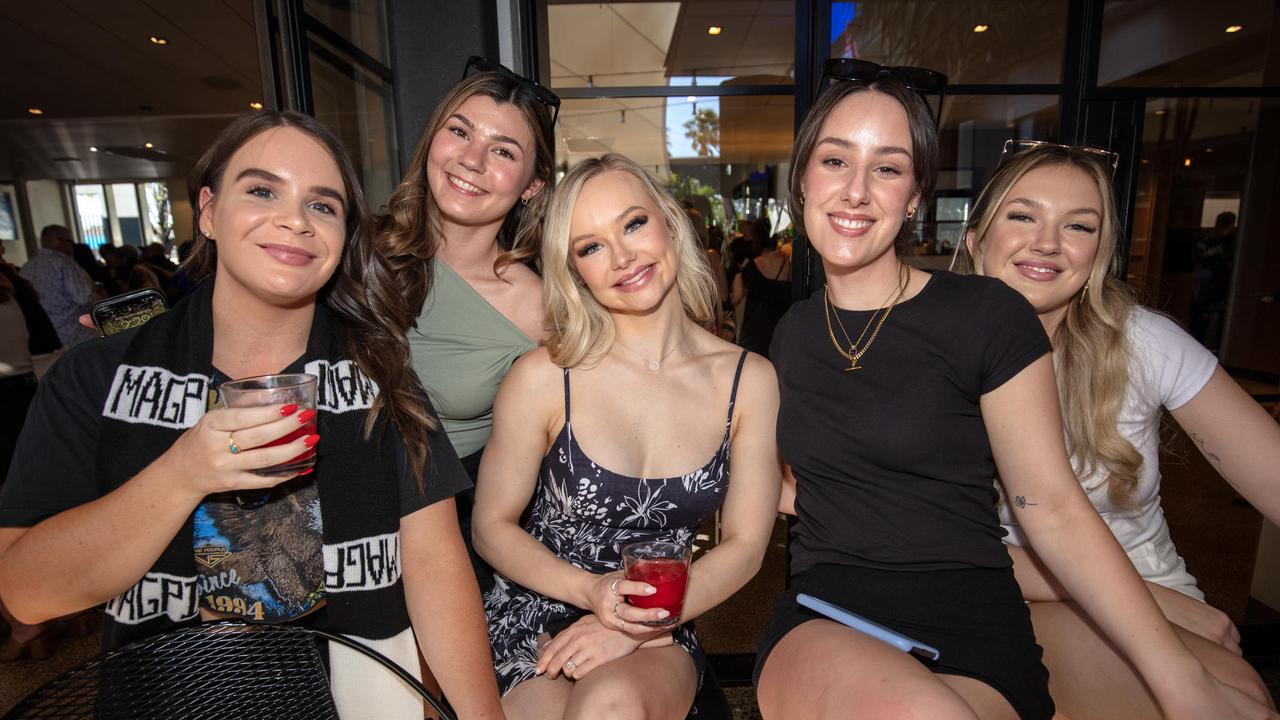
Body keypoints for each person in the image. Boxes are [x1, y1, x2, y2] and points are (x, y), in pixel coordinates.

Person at [752, 71, 1277, 720]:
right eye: (835, 160)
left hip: (981, 615)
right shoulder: (795, 333)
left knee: (1239, 702)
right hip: (837, 606)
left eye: (887, 169)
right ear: (801, 178)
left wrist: (1179, 680)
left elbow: (1050, 507)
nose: (856, 190)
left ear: (916, 196)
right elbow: (792, 480)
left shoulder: (989, 316)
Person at [0, 110, 504, 719]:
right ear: (208, 212)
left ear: (343, 237)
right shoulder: (95, 377)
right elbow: (26, 595)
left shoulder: (381, 374)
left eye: (323, 205)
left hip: (352, 694)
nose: (294, 219)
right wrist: (185, 470)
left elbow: (434, 565)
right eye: (262, 190)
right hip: (168, 697)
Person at [955, 143, 1280, 718]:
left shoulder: (1141, 341)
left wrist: (1158, 597)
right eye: (1023, 215)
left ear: (1099, 252)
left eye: (1078, 225)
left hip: (1146, 581)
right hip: (992, 588)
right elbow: (919, 539)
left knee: (1244, 701)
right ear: (976, 237)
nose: (1048, 242)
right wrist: (1154, 604)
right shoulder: (924, 350)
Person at [473, 153, 780, 719]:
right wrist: (592, 594)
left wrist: (640, 625)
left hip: (662, 616)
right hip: (537, 607)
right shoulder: (542, 378)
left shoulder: (749, 381)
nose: (621, 256)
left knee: (609, 707)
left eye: (632, 224)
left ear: (667, 219)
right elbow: (490, 527)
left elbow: (745, 547)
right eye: (590, 247)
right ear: (574, 272)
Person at [381, 60, 556, 594]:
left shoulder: (541, 309)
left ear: (532, 186)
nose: (471, 159)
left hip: (443, 551)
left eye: (504, 151)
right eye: (459, 131)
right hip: (330, 525)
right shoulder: (356, 255)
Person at [20, 224, 99, 348]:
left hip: (45, 336)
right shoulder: (63, 263)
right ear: (61, 241)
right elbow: (84, 297)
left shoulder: (27, 267)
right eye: (70, 242)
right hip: (74, 336)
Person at [731, 231, 791, 357]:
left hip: (754, 329)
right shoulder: (788, 264)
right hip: (781, 326)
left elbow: (739, 294)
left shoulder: (752, 266)